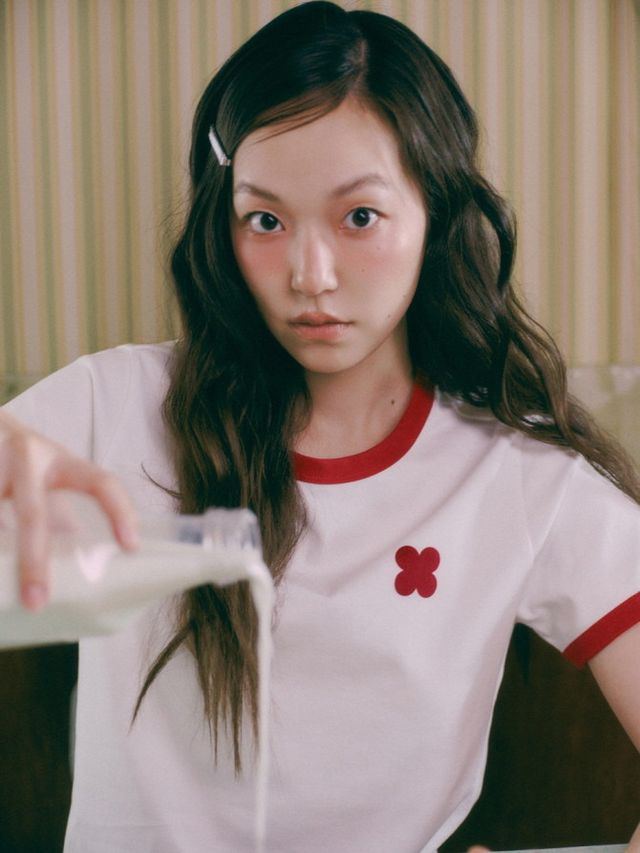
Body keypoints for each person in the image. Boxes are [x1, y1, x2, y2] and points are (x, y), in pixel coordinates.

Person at [1, 2, 639, 851]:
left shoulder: (516, 474)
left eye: (359, 217)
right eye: (264, 220)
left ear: (436, 216)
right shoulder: (109, 408)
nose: (310, 275)